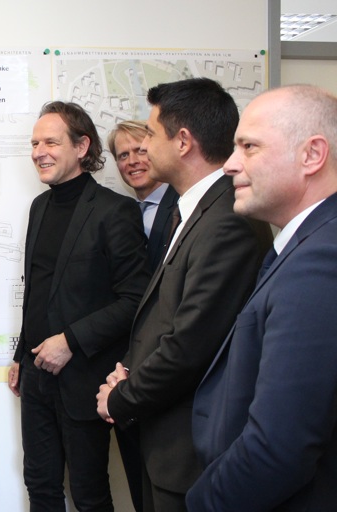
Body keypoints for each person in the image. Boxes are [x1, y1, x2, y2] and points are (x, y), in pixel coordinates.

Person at [96, 78, 272, 512]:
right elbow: (165, 316)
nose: (143, 147)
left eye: (151, 134)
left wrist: (122, 396)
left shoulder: (226, 220)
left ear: (183, 141)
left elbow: (190, 344)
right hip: (164, 440)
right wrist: (128, 373)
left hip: (190, 450)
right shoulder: (194, 209)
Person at [186, 85, 337, 511]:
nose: (230, 165)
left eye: (249, 147)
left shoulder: (320, 261)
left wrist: (202, 504)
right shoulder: (306, 246)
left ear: (312, 155)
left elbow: (279, 449)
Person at [7, 101, 151, 511]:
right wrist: (20, 354)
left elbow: (136, 299)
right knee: (40, 485)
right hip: (35, 375)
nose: (39, 152)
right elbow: (39, 291)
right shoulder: (39, 207)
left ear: (82, 146)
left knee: (89, 495)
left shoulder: (114, 211)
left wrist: (70, 341)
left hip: (84, 378)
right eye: (35, 143)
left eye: (50, 142)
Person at [108, 120, 179, 272]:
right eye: (123, 155)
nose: (132, 161)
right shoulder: (118, 213)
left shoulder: (181, 206)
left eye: (141, 151)